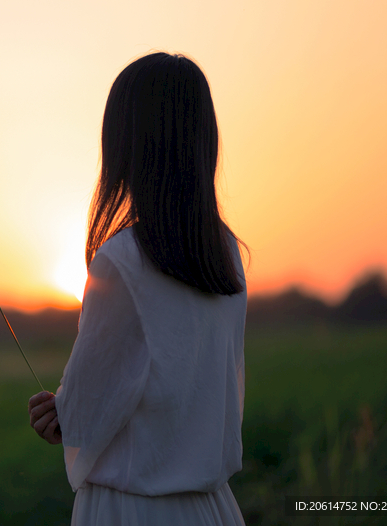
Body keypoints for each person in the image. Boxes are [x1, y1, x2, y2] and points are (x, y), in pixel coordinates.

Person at [28, 52, 248, 525]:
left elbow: (86, 418)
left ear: (128, 141)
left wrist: (59, 414)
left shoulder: (122, 260)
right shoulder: (227, 255)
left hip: (131, 510)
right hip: (213, 510)